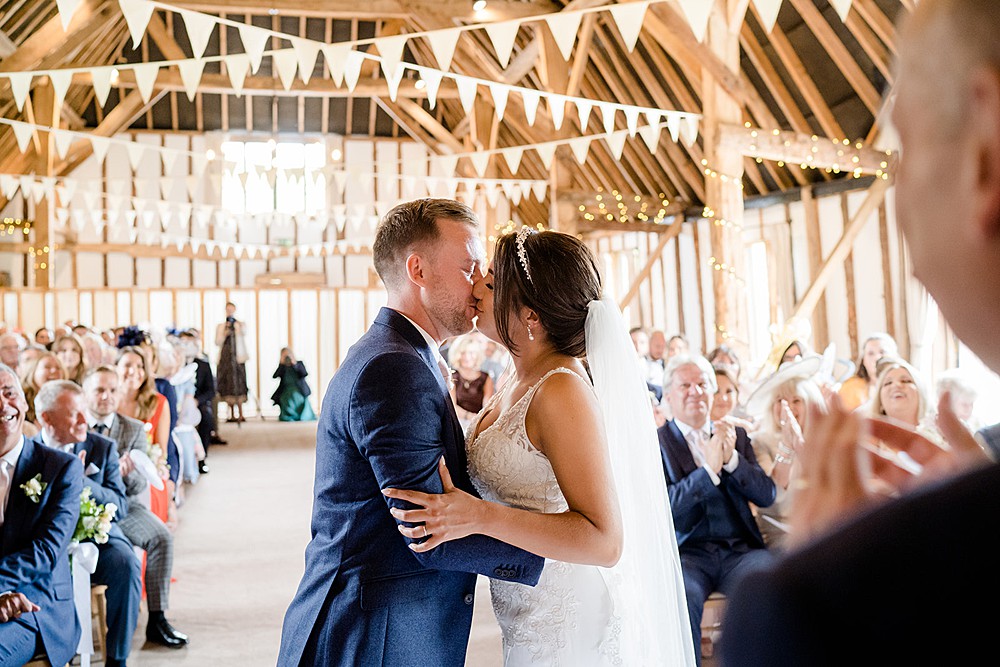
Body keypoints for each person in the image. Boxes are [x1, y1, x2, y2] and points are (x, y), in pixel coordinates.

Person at [720, 2, 1000, 663]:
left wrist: (841, 571)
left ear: (985, 151)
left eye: (905, 148)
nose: (898, 194)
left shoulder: (819, 608)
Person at [383, 227, 696, 665]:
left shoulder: (561, 391)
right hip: (526, 610)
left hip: (568, 620)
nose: (476, 287)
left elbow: (605, 541)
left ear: (530, 316)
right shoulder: (517, 375)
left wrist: (478, 515)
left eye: (492, 283)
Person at [278, 199, 545, 666]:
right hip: (373, 636)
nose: (479, 283)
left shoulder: (403, 354)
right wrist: (561, 555)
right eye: (468, 267)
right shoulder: (394, 368)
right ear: (417, 270)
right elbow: (428, 531)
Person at [657, 354, 775, 660]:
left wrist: (732, 460)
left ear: (712, 392)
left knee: (767, 581)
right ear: (668, 395)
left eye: (702, 384)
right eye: (685, 385)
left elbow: (767, 495)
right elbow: (665, 507)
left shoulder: (737, 436)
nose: (695, 392)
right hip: (688, 555)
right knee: (683, 595)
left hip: (740, 552)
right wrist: (708, 472)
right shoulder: (657, 443)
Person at [32, 380, 141, 667]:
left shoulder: (101, 448)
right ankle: (50, 651)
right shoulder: (30, 452)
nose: (84, 420)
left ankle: (117, 658)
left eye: (84, 411)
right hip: (46, 543)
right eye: (74, 414)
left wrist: (80, 480)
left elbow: (120, 506)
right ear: (46, 418)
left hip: (97, 540)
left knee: (126, 564)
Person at [82, 366, 189, 648]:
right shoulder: (75, 424)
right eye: (99, 390)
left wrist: (124, 474)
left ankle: (157, 617)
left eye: (112, 390)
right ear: (86, 393)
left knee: (161, 537)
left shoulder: (133, 428)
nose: (106, 396)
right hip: (82, 508)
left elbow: (140, 484)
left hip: (124, 506)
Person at [0, 363, 83, 667]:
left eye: (9, 393)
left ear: (25, 403)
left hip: (35, 605)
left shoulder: (59, 468)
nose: (3, 404)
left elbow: (45, 552)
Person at [742, 357, 826, 550]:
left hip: (822, 527)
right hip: (780, 532)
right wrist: (788, 445)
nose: (788, 407)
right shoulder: (759, 442)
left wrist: (800, 444)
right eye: (780, 400)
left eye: (796, 400)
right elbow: (773, 497)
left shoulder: (824, 440)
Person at [116, 346, 171, 525]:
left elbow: (161, 450)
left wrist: (154, 467)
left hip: (145, 476)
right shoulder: (108, 402)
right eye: (127, 365)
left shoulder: (158, 403)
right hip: (112, 472)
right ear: (116, 368)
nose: (133, 372)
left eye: (140, 366)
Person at [837, 332, 898, 411]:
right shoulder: (850, 387)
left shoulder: (904, 385)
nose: (877, 358)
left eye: (882, 352)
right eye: (870, 353)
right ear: (863, 360)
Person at [446, 333, 494, 430]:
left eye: (471, 353)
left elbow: (487, 407)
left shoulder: (485, 377)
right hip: (458, 422)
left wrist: (478, 420)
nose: (467, 357)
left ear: (477, 355)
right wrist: (469, 416)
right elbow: (452, 407)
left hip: (478, 423)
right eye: (463, 353)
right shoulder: (452, 376)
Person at [215, 302, 249, 424]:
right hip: (225, 358)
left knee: (239, 384)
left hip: (238, 358)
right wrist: (225, 332)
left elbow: (244, 332)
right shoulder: (221, 326)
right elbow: (217, 342)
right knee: (228, 385)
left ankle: (241, 413)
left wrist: (237, 325)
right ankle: (231, 414)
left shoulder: (239, 324)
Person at [20, 351, 67, 434]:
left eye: (58, 368)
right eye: (47, 367)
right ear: (33, 371)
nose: (54, 371)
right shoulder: (21, 400)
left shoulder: (68, 400)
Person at [271, 347, 316, 422]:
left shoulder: (299, 363)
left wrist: (295, 364)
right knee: (286, 398)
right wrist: (281, 364)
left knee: (295, 396)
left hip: (299, 389)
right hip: (286, 390)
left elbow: (304, 374)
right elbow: (275, 376)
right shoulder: (283, 366)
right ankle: (288, 415)